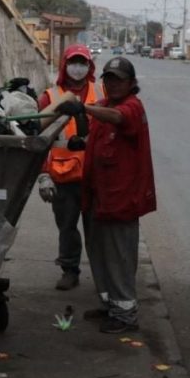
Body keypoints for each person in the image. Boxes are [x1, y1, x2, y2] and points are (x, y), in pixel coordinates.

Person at [54, 56, 156, 334]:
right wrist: (82, 140)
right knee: (99, 253)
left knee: (118, 256)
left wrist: (82, 106)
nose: (112, 84)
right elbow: (101, 130)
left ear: (131, 84)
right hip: (99, 195)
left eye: (119, 79)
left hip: (121, 199)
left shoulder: (131, 107)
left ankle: (126, 316)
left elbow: (119, 119)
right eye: (108, 79)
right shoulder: (105, 105)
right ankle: (110, 306)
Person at [35, 44, 104, 290]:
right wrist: (43, 175)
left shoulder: (101, 92)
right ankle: (69, 270)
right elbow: (39, 140)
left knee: (97, 230)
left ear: (89, 66)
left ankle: (103, 276)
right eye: (74, 62)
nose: (78, 67)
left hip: (96, 176)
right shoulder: (49, 97)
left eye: (82, 62)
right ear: (65, 65)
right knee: (67, 227)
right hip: (63, 176)